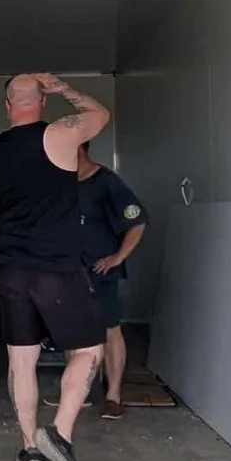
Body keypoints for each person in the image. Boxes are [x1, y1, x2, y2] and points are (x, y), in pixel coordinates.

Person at [0, 74, 110, 461]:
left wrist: (15, 250)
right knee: (89, 349)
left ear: (7, 105)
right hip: (57, 269)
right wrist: (66, 89)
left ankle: (30, 448)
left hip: (11, 270)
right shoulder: (61, 134)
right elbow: (100, 114)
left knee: (21, 361)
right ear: (43, 102)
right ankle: (59, 434)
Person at [73, 140, 146, 418]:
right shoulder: (62, 183)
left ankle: (113, 395)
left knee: (109, 330)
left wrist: (117, 257)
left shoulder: (106, 182)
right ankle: (78, 392)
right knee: (74, 332)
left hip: (100, 272)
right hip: (70, 271)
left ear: (79, 147)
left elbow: (137, 222)